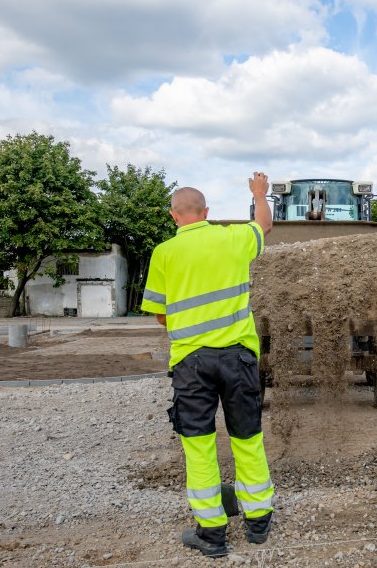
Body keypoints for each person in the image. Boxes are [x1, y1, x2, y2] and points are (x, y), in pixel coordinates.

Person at [141, 173, 274, 557]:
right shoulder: (232, 238)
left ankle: (212, 535)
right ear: (207, 213)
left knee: (198, 447)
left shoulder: (164, 253)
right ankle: (258, 522)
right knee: (247, 440)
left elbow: (161, 315)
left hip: (190, 363)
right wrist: (259, 194)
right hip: (238, 357)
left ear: (174, 216)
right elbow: (264, 224)